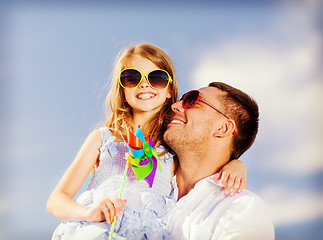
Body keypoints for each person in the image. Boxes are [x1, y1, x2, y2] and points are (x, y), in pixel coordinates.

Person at [47, 44, 247, 240]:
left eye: (157, 78)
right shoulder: (103, 138)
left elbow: (203, 167)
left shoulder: (173, 147)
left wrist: (236, 164)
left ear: (169, 90)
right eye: (132, 78)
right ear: (122, 91)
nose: (144, 84)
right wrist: (89, 213)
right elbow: (56, 200)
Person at [164, 82, 275, 239]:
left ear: (223, 128)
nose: (175, 106)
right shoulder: (144, 183)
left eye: (192, 100)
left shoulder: (240, 210)